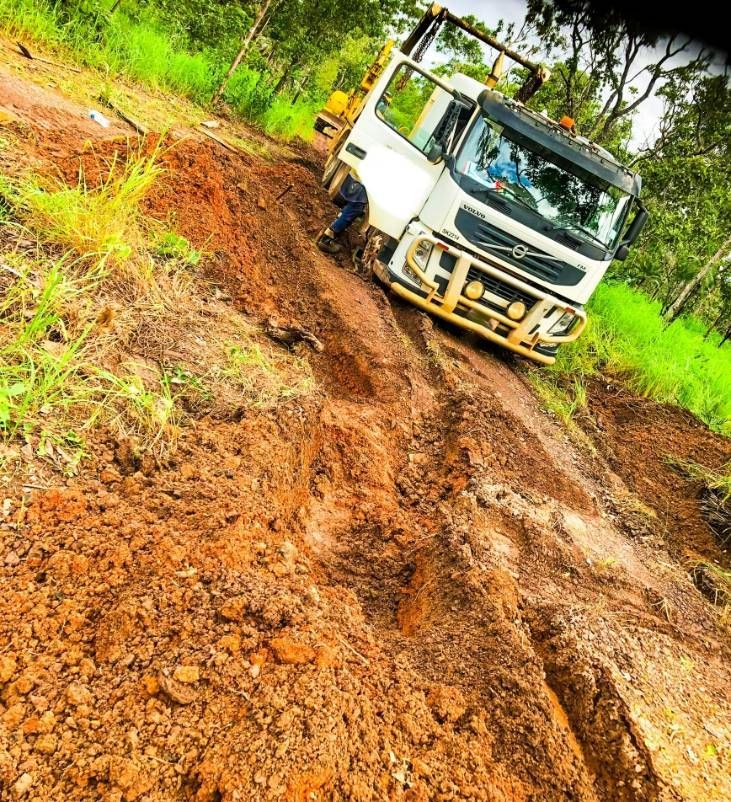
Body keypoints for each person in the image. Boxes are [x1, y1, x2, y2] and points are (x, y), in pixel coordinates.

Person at [316, 173, 367, 255]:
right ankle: (326, 240)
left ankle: (328, 236)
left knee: (348, 210)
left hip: (354, 180)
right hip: (361, 187)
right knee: (350, 213)